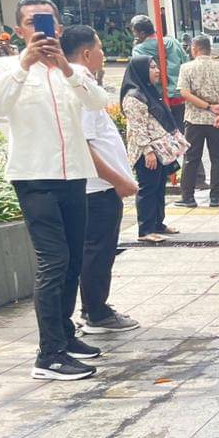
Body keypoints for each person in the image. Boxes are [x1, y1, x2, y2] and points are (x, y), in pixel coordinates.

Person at [0, 0, 111, 380]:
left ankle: (65, 334)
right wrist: (25, 64)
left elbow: (97, 102)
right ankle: (48, 353)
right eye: (31, 22)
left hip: (73, 175)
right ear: (21, 29)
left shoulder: (70, 70)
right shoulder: (6, 67)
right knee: (52, 261)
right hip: (34, 177)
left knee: (72, 259)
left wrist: (65, 69)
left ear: (57, 26)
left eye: (48, 22)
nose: (41, 28)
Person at [60, 25, 141, 333]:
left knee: (97, 249)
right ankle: (96, 312)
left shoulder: (79, 83)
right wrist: (118, 180)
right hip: (97, 187)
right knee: (98, 250)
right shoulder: (79, 84)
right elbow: (84, 143)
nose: (104, 54)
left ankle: (94, 307)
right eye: (101, 48)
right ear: (86, 53)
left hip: (98, 186)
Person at [122, 56, 183, 243]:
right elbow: (137, 127)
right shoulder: (133, 96)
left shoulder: (147, 91)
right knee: (148, 189)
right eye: (152, 67)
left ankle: (158, 224)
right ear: (141, 71)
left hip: (159, 150)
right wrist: (148, 151)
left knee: (158, 189)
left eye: (156, 66)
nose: (157, 71)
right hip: (146, 152)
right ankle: (145, 230)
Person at [176, 35, 219, 208]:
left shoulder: (186, 68)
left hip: (195, 120)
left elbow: (185, 93)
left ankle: (188, 197)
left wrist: (208, 107)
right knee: (218, 159)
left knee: (191, 158)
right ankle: (215, 197)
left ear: (194, 49)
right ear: (210, 49)